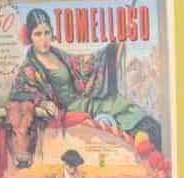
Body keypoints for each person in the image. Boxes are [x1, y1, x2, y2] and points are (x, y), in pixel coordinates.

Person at [9, 8, 161, 149]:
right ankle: (142, 141)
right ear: (30, 36)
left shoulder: (56, 54)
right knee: (114, 107)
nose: (44, 39)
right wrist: (42, 102)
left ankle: (147, 139)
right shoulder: (28, 68)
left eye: (47, 32)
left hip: (82, 99)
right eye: (38, 34)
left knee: (120, 103)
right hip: (69, 108)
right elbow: (20, 97)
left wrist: (110, 50)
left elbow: (82, 65)